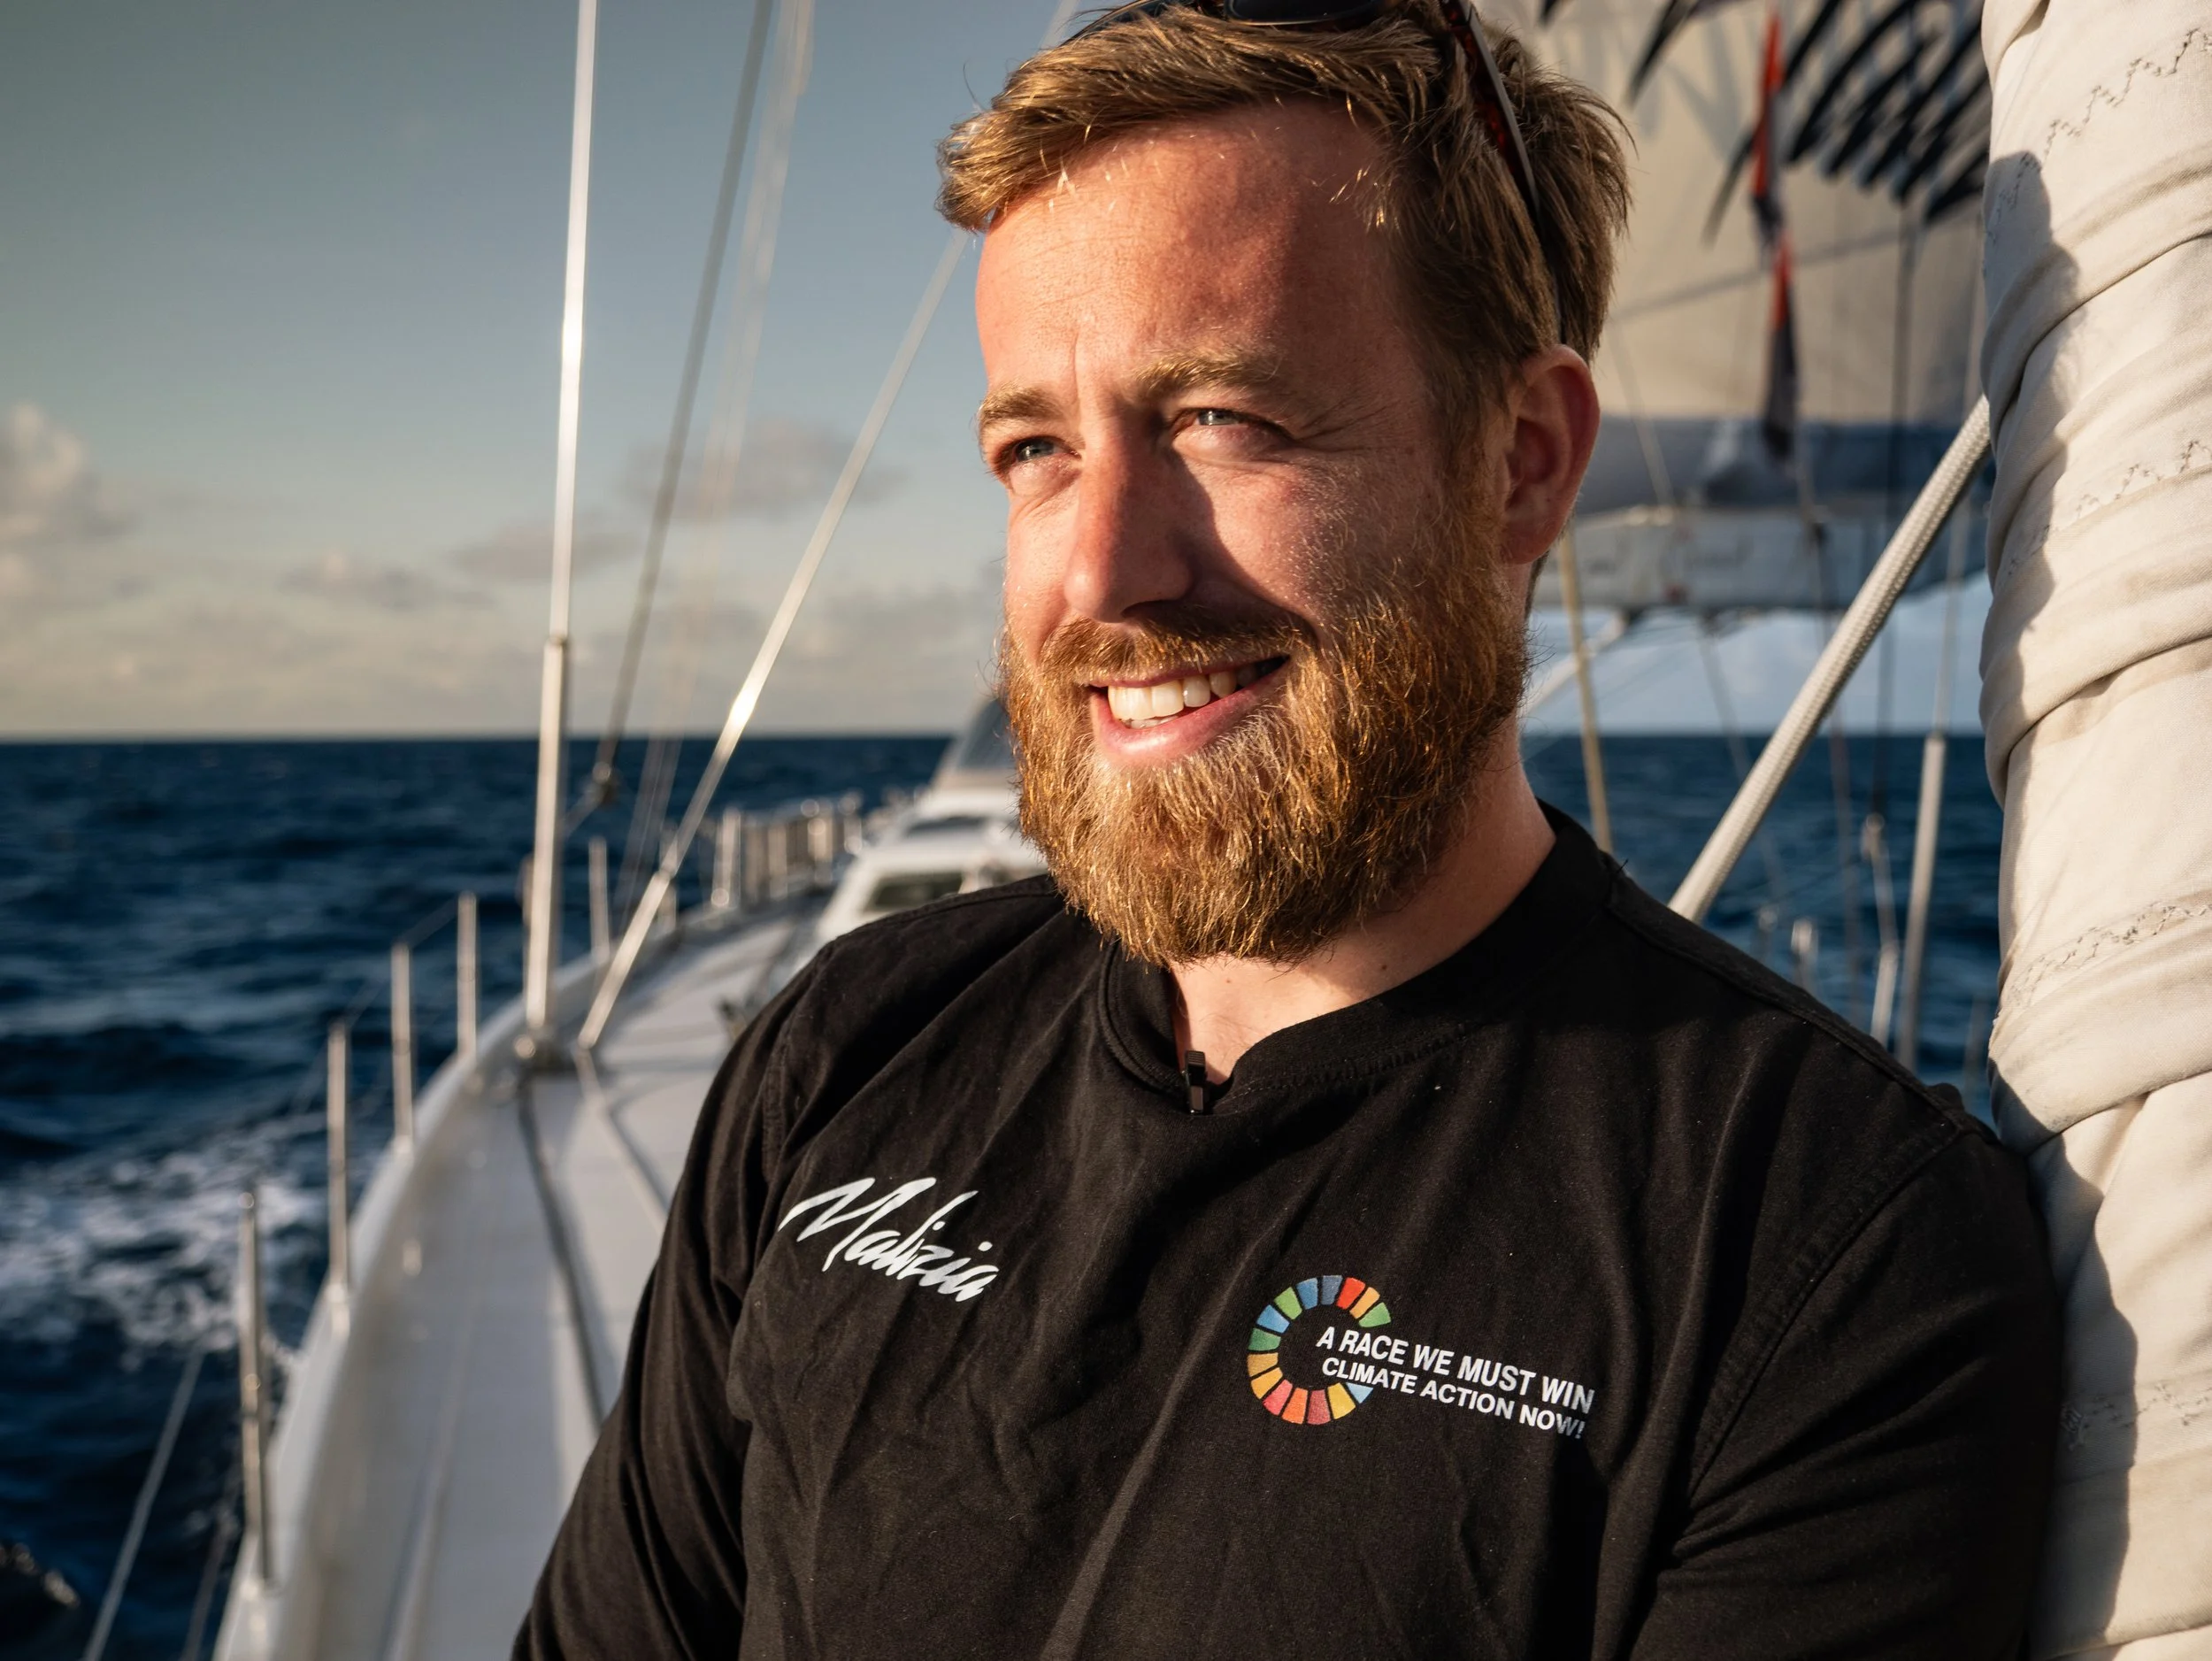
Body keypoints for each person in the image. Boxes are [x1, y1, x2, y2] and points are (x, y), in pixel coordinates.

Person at [517, 4, 2059, 1656]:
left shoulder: (1822, 1254)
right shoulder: (833, 1060)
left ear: (1521, 466)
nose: (1103, 575)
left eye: (1221, 422)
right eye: (1035, 451)